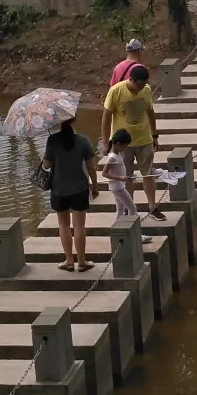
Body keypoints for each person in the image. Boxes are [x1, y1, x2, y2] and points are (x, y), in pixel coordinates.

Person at [101, 63, 164, 219]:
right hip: (123, 144)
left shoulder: (147, 90)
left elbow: (150, 112)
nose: (141, 88)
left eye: (144, 85)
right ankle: (130, 209)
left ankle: (152, 207)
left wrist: (154, 135)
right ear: (131, 79)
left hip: (144, 139)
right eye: (139, 85)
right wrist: (105, 142)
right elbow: (106, 117)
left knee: (148, 174)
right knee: (127, 176)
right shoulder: (116, 91)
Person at [42, 114, 99, 270]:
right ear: (74, 120)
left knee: (63, 225)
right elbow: (91, 166)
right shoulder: (82, 140)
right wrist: (95, 186)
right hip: (79, 187)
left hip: (58, 189)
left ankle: (68, 261)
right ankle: (82, 262)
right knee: (79, 226)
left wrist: (52, 155)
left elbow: (46, 166)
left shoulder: (52, 141)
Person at [101, 127, 138, 224]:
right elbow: (104, 173)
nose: (126, 148)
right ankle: (134, 233)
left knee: (120, 209)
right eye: (125, 146)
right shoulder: (112, 157)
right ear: (118, 144)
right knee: (132, 209)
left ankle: (119, 229)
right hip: (118, 188)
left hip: (118, 186)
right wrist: (120, 178)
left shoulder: (117, 154)